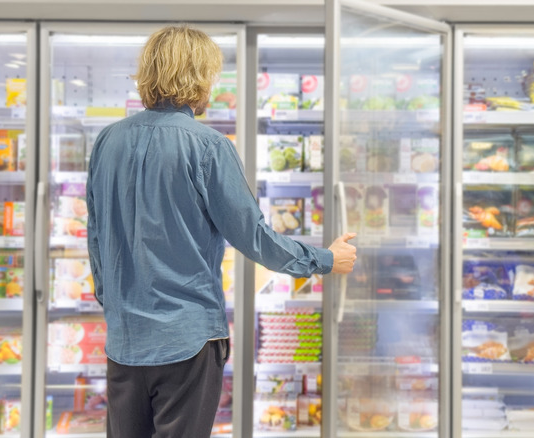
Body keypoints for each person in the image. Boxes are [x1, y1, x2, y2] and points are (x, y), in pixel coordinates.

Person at [86, 25, 357, 438]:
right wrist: (325, 259)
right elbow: (254, 237)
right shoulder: (207, 146)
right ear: (198, 76)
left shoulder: (107, 141)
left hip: (125, 341)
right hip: (187, 340)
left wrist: (117, 305)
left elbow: (96, 238)